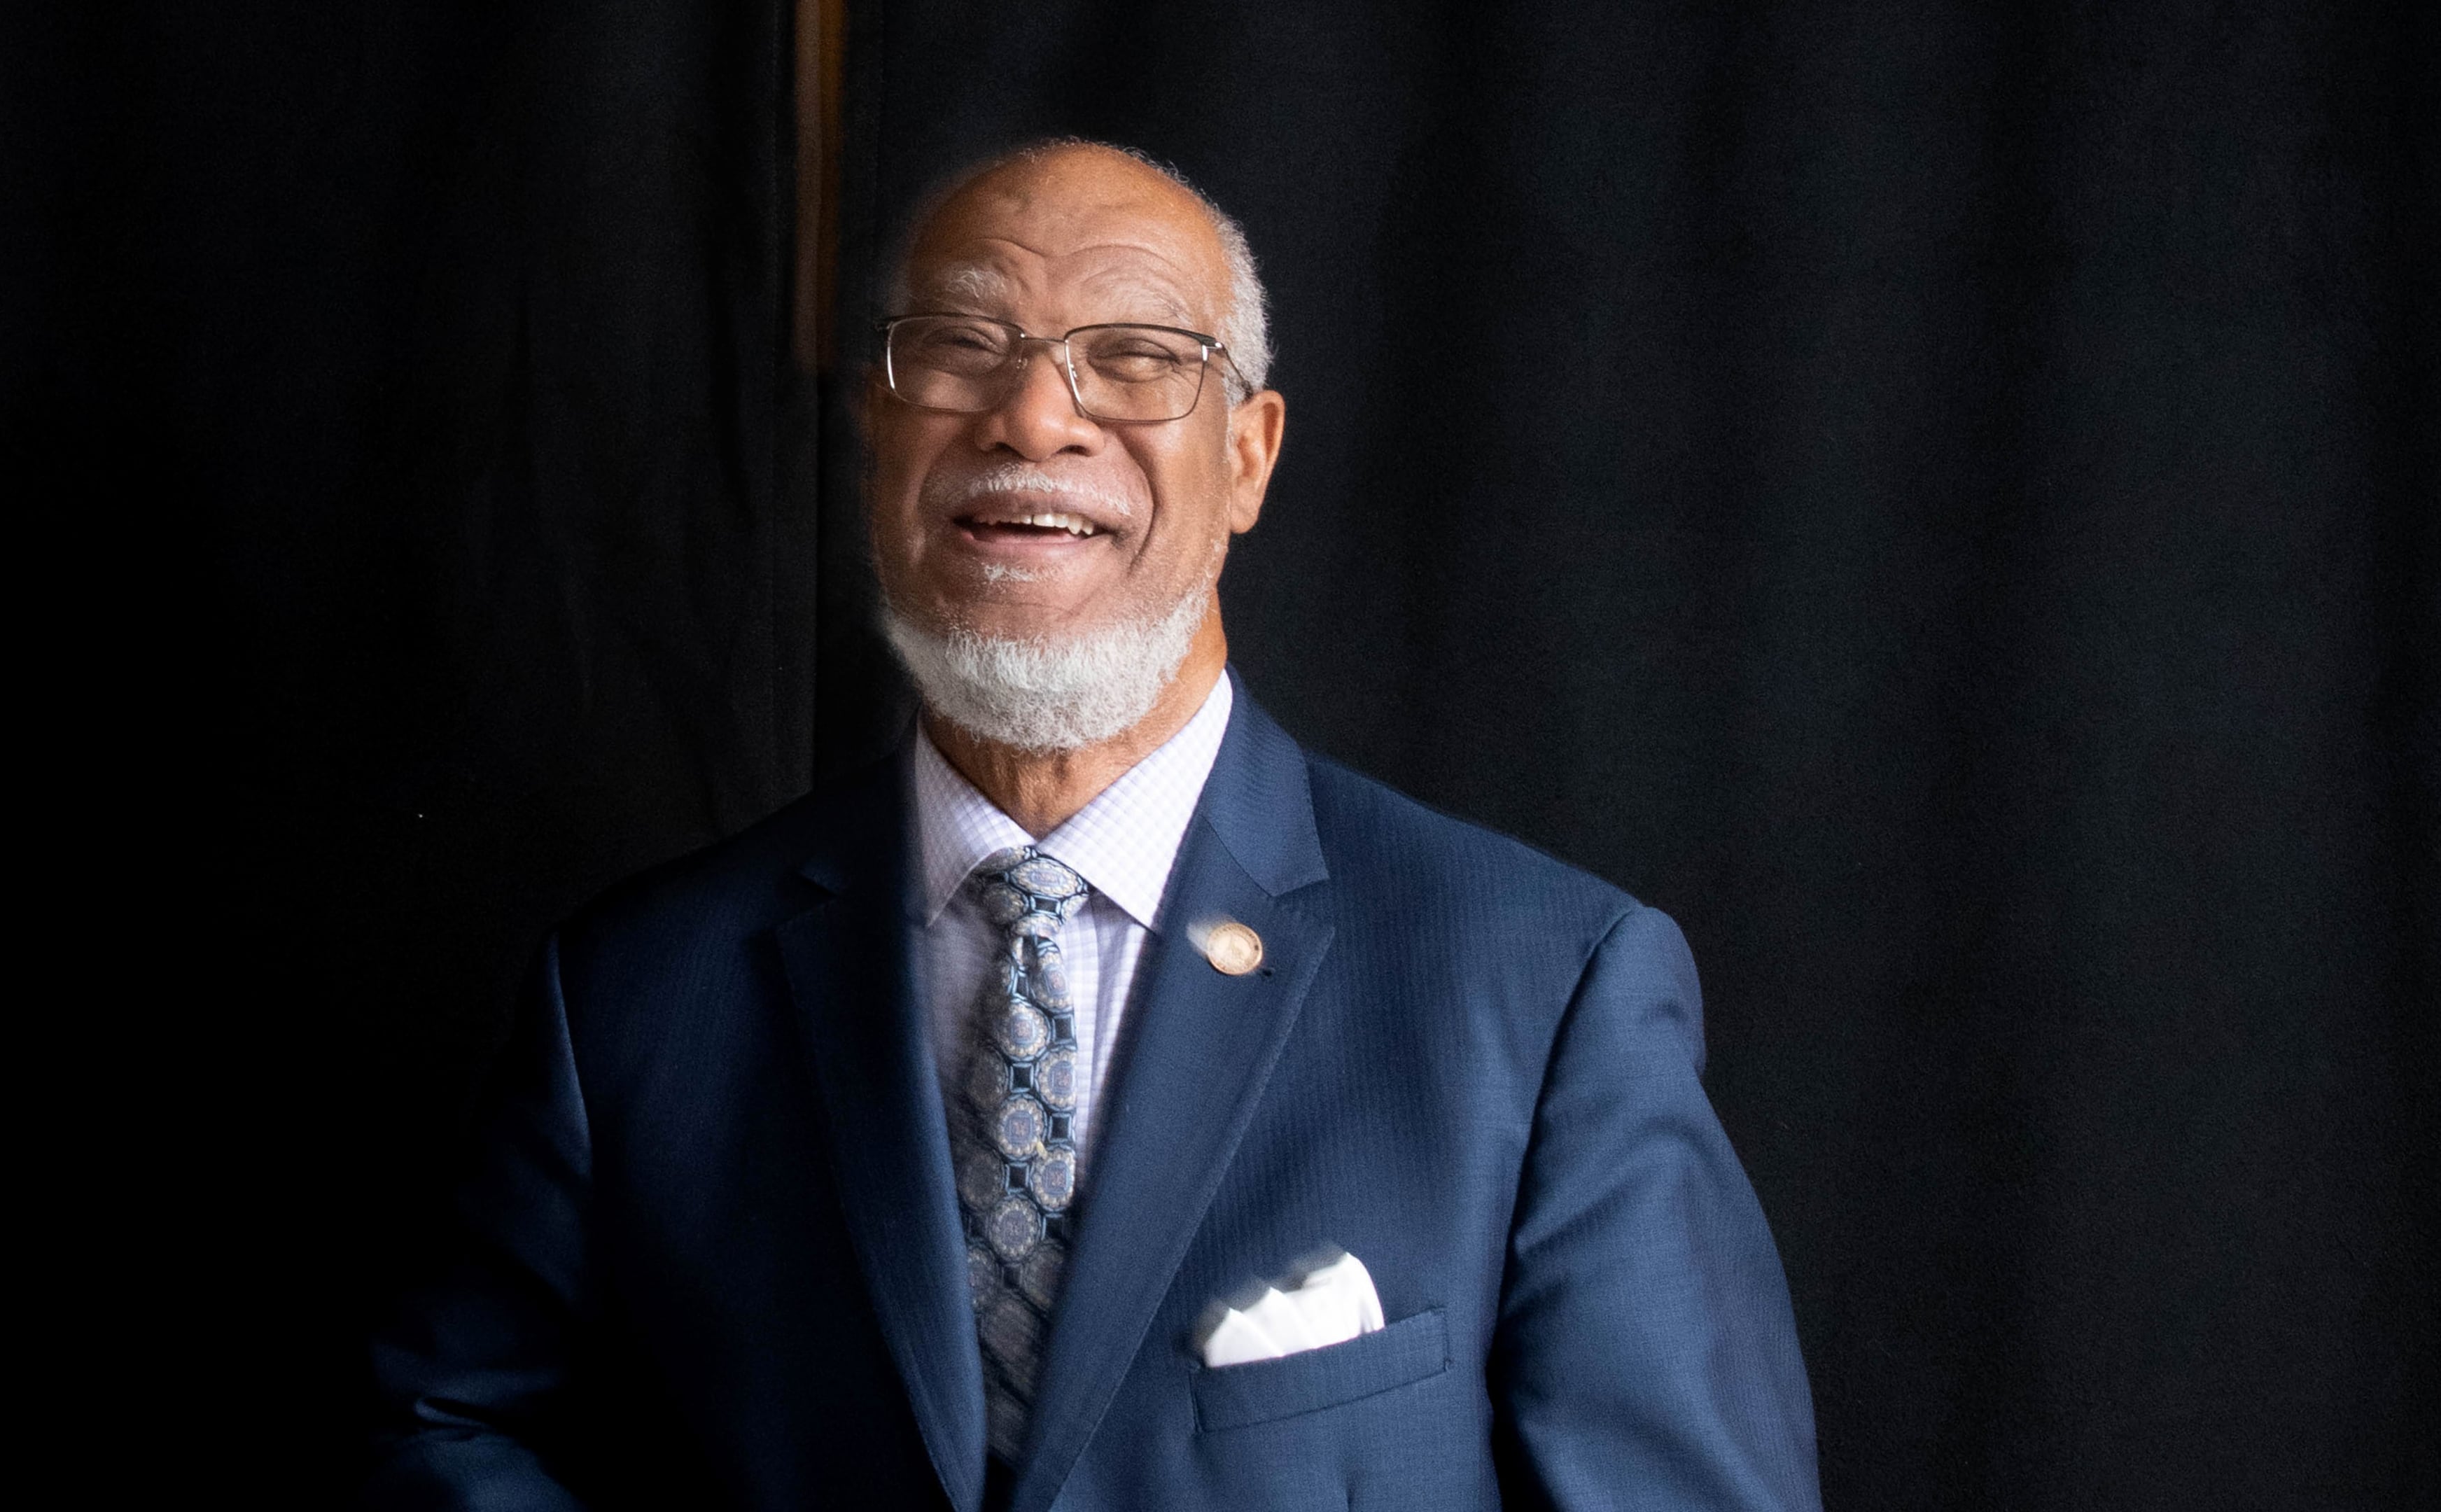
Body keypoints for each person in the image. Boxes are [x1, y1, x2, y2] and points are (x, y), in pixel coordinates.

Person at [365, 140, 1821, 1512]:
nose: (1034, 415)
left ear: (1248, 457)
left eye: (1133, 358)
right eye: (961, 348)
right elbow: (449, 1423)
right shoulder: (632, 994)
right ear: (878, 433)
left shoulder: (1542, 987)